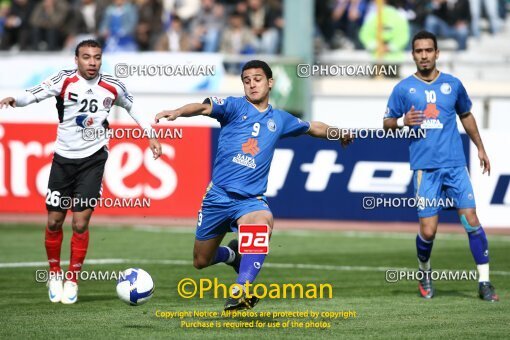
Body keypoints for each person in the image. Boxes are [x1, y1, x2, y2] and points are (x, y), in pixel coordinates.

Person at [155, 60, 353, 310]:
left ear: (270, 83)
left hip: (250, 200)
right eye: (246, 80)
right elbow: (203, 108)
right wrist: (177, 112)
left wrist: (338, 133)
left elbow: (312, 127)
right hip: (218, 196)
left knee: (262, 221)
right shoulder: (234, 107)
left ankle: (241, 289)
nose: (252, 84)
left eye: (257, 79)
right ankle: (232, 255)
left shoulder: (279, 119)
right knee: (201, 261)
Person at [0, 39, 162, 304]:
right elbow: (34, 93)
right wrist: (14, 99)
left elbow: (133, 106)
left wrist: (151, 135)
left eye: (97, 57)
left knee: (80, 222)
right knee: (54, 221)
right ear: (76, 60)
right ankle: (54, 274)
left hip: (93, 160)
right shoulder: (63, 80)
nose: (92, 62)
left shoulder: (112, 85)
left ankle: (73, 279)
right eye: (86, 57)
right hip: (63, 160)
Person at [383, 31, 498, 302]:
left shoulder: (453, 85)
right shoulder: (403, 89)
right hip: (425, 169)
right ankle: (424, 273)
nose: (424, 55)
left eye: (428, 50)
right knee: (428, 231)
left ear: (437, 53)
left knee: (471, 221)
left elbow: (466, 115)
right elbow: (387, 124)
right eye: (419, 51)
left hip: (455, 166)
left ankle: (484, 282)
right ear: (413, 55)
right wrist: (402, 123)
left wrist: (480, 147)